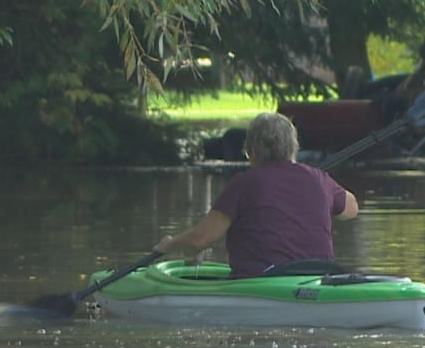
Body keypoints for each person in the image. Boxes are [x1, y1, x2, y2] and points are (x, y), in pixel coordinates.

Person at [153, 112, 358, 277]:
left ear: (252, 151)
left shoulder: (243, 183)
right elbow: (351, 209)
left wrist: (169, 245)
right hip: (319, 276)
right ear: (292, 149)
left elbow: (201, 239)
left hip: (264, 281)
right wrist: (322, 185)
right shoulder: (319, 179)